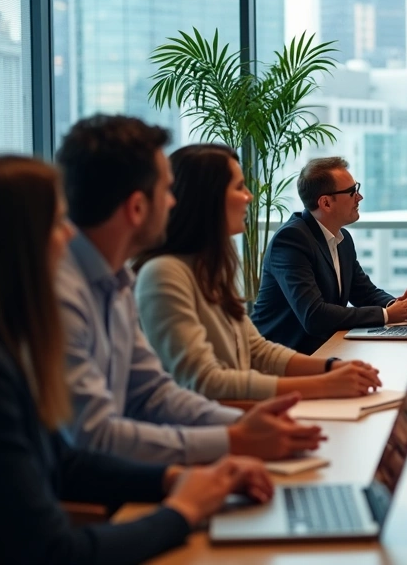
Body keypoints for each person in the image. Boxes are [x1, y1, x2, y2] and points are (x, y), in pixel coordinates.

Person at [0, 156, 274, 564]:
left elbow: (64, 464)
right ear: (17, 246)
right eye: (58, 224)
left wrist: (175, 479)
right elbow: (55, 552)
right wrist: (182, 511)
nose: (69, 236)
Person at [55, 114, 324, 464]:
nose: (173, 202)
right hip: (106, 483)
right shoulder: (64, 296)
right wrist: (234, 440)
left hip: (138, 467)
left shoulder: (116, 284)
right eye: (166, 191)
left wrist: (242, 428)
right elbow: (94, 437)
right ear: (137, 207)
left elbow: (154, 395)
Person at [134, 145, 383, 401]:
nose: (249, 197)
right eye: (239, 187)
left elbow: (256, 349)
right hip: (216, 418)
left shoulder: (210, 269)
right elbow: (205, 381)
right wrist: (324, 384)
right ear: (208, 198)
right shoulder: (163, 274)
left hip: (237, 409)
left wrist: (332, 367)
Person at [252, 157, 407, 354]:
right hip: (280, 357)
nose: (359, 197)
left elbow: (363, 292)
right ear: (326, 203)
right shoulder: (291, 240)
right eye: (352, 191)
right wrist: (386, 315)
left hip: (326, 349)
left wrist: (397, 306)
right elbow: (314, 316)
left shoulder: (342, 238)